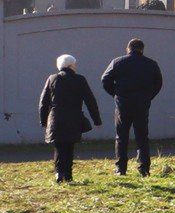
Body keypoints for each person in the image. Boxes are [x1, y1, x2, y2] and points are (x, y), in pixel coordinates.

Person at [100, 38, 164, 176]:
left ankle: (120, 168)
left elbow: (105, 79)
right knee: (142, 136)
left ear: (128, 49)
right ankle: (144, 169)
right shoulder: (151, 64)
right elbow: (158, 83)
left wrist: (116, 94)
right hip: (142, 104)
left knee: (121, 136)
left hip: (123, 104)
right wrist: (148, 96)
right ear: (142, 49)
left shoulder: (117, 62)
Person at [38, 54, 102, 184]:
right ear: (71, 65)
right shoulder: (80, 80)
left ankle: (58, 173)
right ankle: (68, 175)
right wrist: (97, 120)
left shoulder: (52, 79)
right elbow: (90, 101)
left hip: (56, 118)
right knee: (69, 146)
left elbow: (43, 102)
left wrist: (43, 120)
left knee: (59, 146)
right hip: (74, 117)